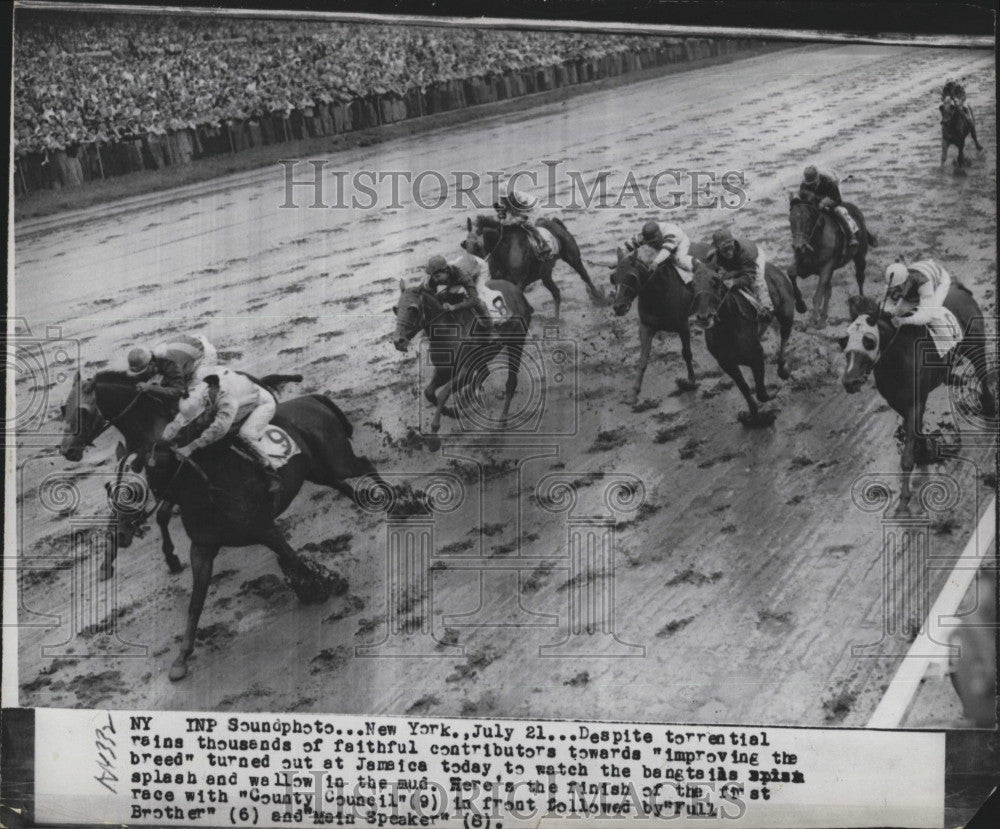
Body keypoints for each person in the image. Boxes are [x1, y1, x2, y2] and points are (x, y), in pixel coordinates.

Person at [162, 366, 282, 494]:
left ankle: (270, 472)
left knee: (245, 435)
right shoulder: (198, 392)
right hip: (242, 392)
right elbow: (189, 410)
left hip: (261, 403)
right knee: (200, 425)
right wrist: (175, 423)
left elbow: (219, 429)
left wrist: (191, 447)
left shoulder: (227, 400)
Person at [126, 334, 219, 402]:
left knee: (190, 398)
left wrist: (150, 388)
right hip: (188, 345)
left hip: (204, 354)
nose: (142, 375)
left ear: (151, 364)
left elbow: (180, 391)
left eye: (143, 371)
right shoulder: (150, 357)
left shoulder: (170, 362)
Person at [708, 228, 774, 321]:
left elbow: (750, 276)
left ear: (733, 243)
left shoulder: (746, 253)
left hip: (755, 256)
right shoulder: (715, 256)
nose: (728, 252)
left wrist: (734, 282)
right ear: (717, 248)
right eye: (724, 250)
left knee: (758, 280)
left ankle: (767, 307)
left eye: (730, 248)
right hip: (737, 261)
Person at [424, 253, 493, 333]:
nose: (435, 280)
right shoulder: (434, 277)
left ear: (446, 272)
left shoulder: (463, 275)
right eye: (433, 276)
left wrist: (454, 307)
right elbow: (429, 296)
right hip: (457, 270)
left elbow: (474, 299)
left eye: (437, 276)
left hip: (478, 269)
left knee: (480, 300)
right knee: (445, 295)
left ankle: (491, 330)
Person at [798, 166, 860, 254]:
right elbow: (802, 195)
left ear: (818, 177)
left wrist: (825, 203)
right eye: (809, 183)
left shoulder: (829, 182)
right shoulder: (804, 184)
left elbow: (837, 200)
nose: (811, 185)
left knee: (837, 212)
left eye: (813, 182)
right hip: (814, 204)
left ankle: (851, 236)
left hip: (830, 199)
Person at [493, 187, 555, 260]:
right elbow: (504, 211)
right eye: (503, 197)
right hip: (517, 210)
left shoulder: (520, 197)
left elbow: (523, 213)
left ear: (511, 193)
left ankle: (544, 244)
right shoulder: (502, 199)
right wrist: (501, 217)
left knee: (526, 224)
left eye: (506, 197)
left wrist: (514, 220)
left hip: (531, 208)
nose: (505, 199)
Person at [884, 260, 952, 327]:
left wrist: (904, 320)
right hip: (921, 268)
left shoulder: (924, 283)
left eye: (897, 288)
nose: (895, 291)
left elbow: (926, 317)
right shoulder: (898, 279)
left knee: (933, 315)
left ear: (904, 282)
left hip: (940, 278)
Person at [624, 220, 693, 281]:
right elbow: (628, 246)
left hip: (679, 243)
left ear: (659, 234)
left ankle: (695, 269)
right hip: (662, 245)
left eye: (654, 241)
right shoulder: (643, 235)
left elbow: (666, 250)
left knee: (679, 260)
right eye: (650, 242)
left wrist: (655, 262)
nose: (652, 243)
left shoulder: (672, 232)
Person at [940, 80, 982, 151]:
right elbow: (943, 97)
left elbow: (963, 95)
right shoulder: (945, 89)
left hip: (960, 104)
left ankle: (976, 142)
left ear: (953, 84)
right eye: (949, 85)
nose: (950, 86)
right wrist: (945, 100)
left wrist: (959, 100)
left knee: (969, 119)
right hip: (950, 106)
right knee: (944, 112)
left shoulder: (958, 87)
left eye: (951, 84)